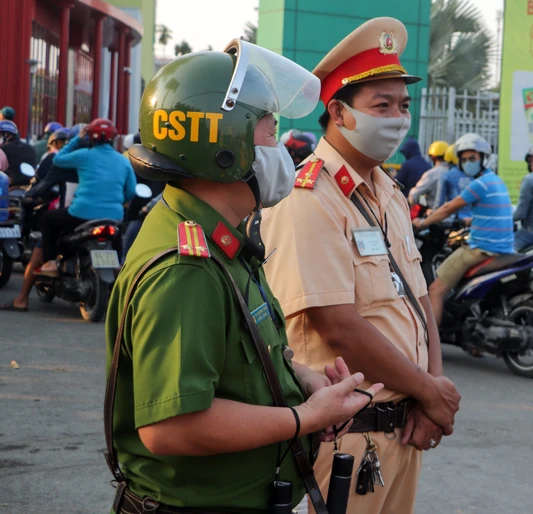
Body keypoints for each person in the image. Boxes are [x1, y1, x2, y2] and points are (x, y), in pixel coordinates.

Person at [102, 42, 382, 514]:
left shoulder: (220, 239)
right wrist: (303, 418)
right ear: (226, 148)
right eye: (271, 131)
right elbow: (171, 427)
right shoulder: (186, 268)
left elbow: (240, 358)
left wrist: (304, 381)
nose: (282, 147)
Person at [260, 17, 460, 514]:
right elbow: (338, 325)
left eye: (404, 105)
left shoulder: (389, 192)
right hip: (343, 440)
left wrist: (431, 394)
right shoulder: (308, 196)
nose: (398, 118)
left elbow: (417, 301)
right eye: (381, 105)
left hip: (403, 431)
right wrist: (429, 391)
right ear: (338, 112)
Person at [1, 118, 136, 311]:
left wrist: (76, 141)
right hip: (113, 216)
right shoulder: (123, 160)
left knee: (48, 221)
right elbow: (130, 191)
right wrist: (115, 203)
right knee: (117, 239)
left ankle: (46, 268)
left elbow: (55, 166)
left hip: (80, 213)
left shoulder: (81, 156)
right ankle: (119, 269)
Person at [413, 132, 514, 330]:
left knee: (435, 290)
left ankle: (430, 341)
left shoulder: (479, 184)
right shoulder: (496, 180)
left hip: (481, 249)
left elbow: (447, 208)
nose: (468, 163)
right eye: (465, 159)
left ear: (484, 159)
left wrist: (422, 224)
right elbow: (491, 212)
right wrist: (470, 220)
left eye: (473, 158)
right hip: (504, 248)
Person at [435, 144, 472, 223]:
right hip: (472, 221)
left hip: (455, 221)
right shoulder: (473, 175)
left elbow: (439, 203)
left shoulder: (446, 176)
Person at [407, 140, 449, 206]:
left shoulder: (432, 173)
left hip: (434, 211)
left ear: (432, 157)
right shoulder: (456, 173)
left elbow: (414, 195)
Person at [0, 120, 37, 187]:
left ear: (7, 135)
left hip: (9, 185)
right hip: (28, 185)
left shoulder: (3, 150)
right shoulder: (30, 148)